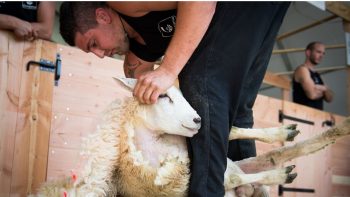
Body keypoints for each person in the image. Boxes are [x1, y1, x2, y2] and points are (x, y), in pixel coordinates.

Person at [59, 2, 290, 196]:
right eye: (92, 53)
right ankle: (248, 187)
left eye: (94, 44)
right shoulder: (137, 44)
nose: (100, 54)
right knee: (237, 107)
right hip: (263, 8)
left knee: (201, 84)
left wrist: (168, 70)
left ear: (102, 16)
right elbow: (137, 80)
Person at [293, 41, 333, 110]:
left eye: (323, 53)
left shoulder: (316, 74)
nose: (321, 56)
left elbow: (330, 98)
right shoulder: (302, 70)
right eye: (318, 52)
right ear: (308, 53)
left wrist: (323, 88)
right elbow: (312, 94)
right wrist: (324, 89)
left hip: (317, 117)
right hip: (302, 116)